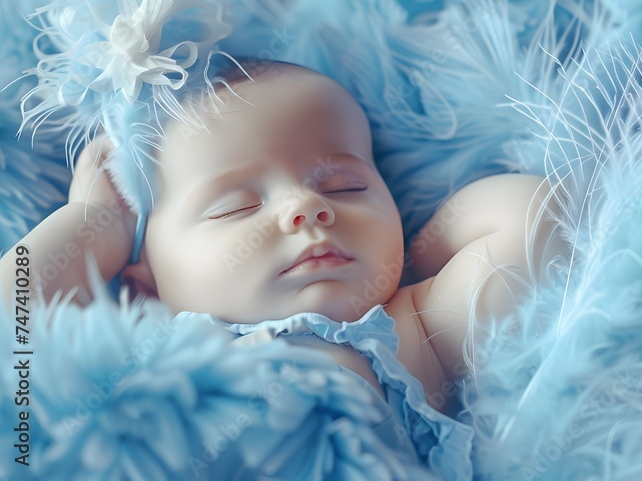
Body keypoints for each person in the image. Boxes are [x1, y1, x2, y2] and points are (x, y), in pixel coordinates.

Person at [0, 61, 565, 420]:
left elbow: (538, 221)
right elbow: (12, 331)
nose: (307, 206)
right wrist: (96, 221)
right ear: (142, 286)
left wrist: (418, 252)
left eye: (347, 185)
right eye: (238, 206)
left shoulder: (413, 332)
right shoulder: (148, 347)